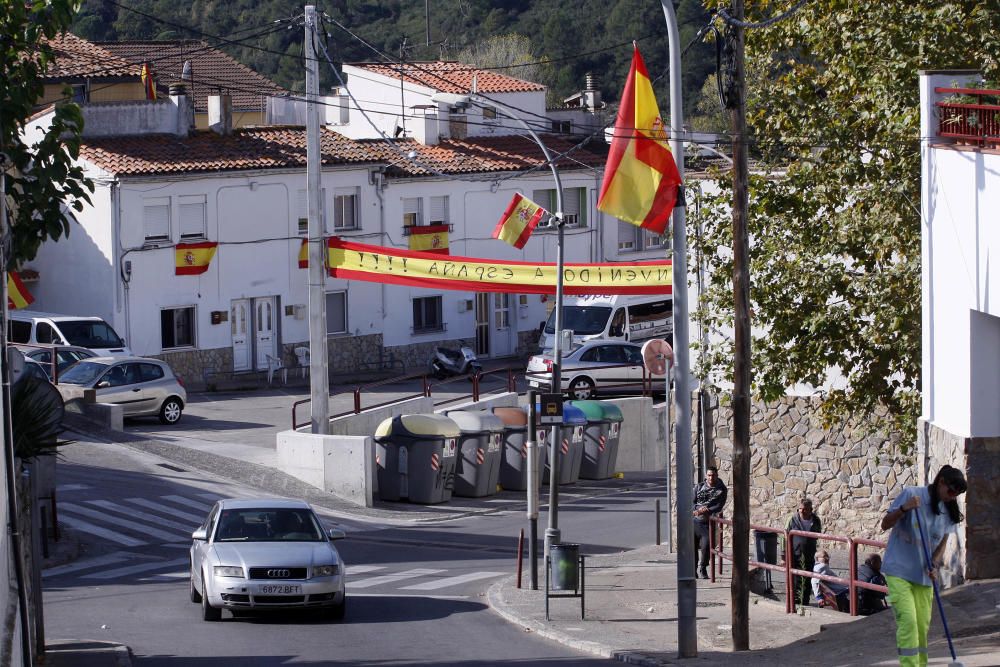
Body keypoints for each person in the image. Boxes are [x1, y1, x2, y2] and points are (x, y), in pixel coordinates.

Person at [881, 465, 967, 667]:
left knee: (921, 626)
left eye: (957, 494)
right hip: (899, 570)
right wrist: (904, 509)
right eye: (951, 491)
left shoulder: (948, 511)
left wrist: (935, 563)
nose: (952, 497)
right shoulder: (912, 494)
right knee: (908, 622)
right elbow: (885, 524)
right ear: (941, 482)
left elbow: (943, 542)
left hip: (924, 576)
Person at [692, 466, 728, 579]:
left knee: (706, 546)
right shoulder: (699, 487)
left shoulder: (721, 489)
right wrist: (698, 508)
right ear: (706, 476)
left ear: (717, 475)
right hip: (695, 522)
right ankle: (693, 570)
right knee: (692, 548)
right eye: (709, 475)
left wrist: (707, 510)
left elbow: (719, 505)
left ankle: (703, 568)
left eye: (713, 475)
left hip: (708, 523)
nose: (711, 477)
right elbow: (691, 502)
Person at [785, 497, 822, 606]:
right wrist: (784, 554)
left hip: (809, 554)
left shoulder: (816, 520)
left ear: (810, 510)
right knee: (796, 579)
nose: (801, 511)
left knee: (807, 579)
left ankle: (804, 602)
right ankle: (795, 603)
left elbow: (818, 533)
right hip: (795, 554)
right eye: (800, 508)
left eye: (804, 509)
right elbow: (784, 536)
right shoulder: (792, 519)